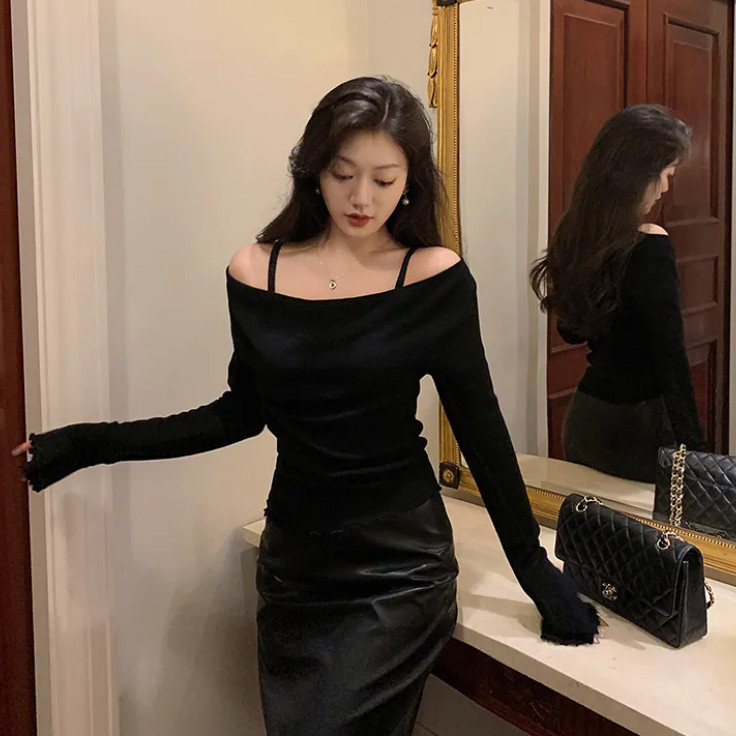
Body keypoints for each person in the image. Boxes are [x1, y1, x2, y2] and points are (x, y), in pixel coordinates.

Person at [13, 76, 598, 736]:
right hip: (295, 566)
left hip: (398, 567)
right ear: (314, 170)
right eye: (343, 173)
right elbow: (238, 414)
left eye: (384, 179)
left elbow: (481, 430)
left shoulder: (434, 278)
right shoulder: (254, 271)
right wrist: (85, 443)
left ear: (410, 182)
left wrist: (536, 572)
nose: (361, 197)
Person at [530, 104, 707, 484]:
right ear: (639, 173)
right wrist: (696, 454)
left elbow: (571, 332)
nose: (666, 188)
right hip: (640, 429)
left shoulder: (576, 237)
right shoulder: (650, 245)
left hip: (587, 419)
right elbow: (670, 358)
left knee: (593, 520)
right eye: (666, 173)